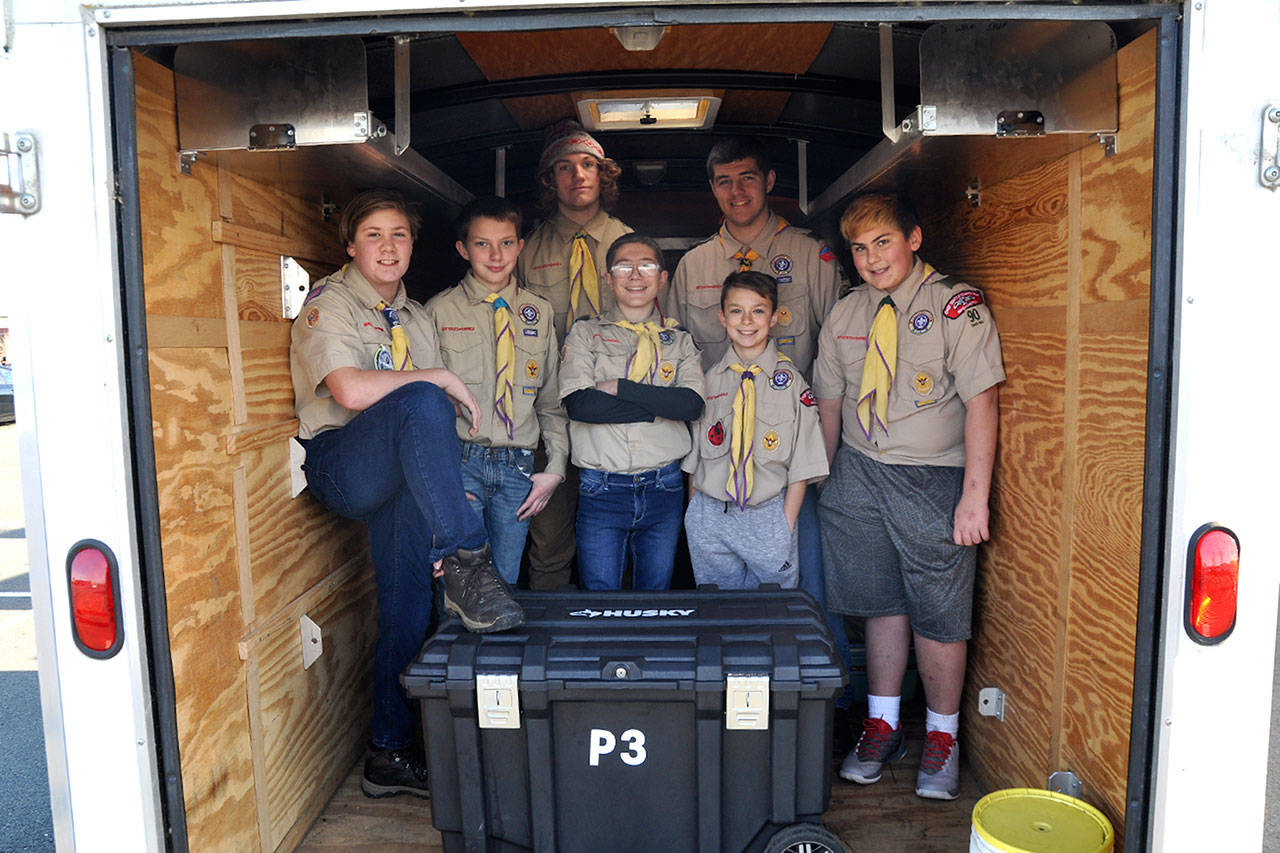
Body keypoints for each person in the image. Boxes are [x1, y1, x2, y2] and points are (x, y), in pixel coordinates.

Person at [289, 189, 523, 801]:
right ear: (349, 245)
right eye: (374, 235)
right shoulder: (329, 302)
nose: (389, 247)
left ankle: (388, 753)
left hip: (402, 475)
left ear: (413, 246)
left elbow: (430, 430)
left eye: (399, 235)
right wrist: (438, 376)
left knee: (406, 603)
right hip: (344, 465)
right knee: (421, 395)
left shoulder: (415, 315)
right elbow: (348, 390)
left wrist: (450, 496)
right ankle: (470, 564)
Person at [813, 192, 1004, 801]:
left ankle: (942, 738)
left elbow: (983, 402)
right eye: (859, 249)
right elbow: (833, 403)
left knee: (940, 613)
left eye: (883, 243)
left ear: (914, 239)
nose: (871, 260)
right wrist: (824, 478)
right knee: (879, 605)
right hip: (859, 473)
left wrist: (974, 497)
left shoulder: (954, 304)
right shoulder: (847, 310)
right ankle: (883, 724)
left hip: (931, 477)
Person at [665, 135, 853, 740]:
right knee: (720, 604)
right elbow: (674, 354)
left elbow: (836, 349)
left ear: (770, 181)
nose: (736, 192)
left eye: (747, 178)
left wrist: (823, 454)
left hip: (789, 452)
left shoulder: (810, 255)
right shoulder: (693, 266)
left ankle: (824, 712)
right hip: (717, 460)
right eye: (723, 181)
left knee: (803, 593)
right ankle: (726, 710)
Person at [517, 119, 635, 590]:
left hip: (614, 409)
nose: (578, 175)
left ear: (603, 175)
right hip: (552, 409)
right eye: (563, 168)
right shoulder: (529, 249)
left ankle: (621, 640)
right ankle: (553, 640)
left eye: (588, 165)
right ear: (550, 181)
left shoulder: (628, 242)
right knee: (550, 537)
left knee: (618, 533)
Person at [425, 196, 569, 584]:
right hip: (460, 463)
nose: (495, 255)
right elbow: (424, 404)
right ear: (462, 249)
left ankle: (499, 647)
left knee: (505, 580)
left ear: (520, 246)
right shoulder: (438, 312)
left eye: (506, 242)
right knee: (458, 581)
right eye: (481, 244)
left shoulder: (538, 312)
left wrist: (554, 468)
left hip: (518, 467)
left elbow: (551, 401)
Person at [559, 233, 704, 590]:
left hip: (663, 486)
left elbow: (690, 405)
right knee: (598, 595)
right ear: (608, 278)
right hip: (601, 488)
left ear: (662, 277)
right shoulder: (585, 334)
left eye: (647, 266)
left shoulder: (680, 340)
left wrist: (622, 389)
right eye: (624, 266)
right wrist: (660, 405)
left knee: (656, 595)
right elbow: (581, 405)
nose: (635, 275)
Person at [682, 271, 827, 589]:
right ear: (722, 317)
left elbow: (803, 464)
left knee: (773, 613)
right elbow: (695, 460)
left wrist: (785, 526)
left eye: (758, 310)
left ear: (775, 317)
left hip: (768, 515)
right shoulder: (708, 381)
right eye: (736, 310)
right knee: (718, 611)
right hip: (711, 515)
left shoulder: (791, 383)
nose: (747, 320)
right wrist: (695, 516)